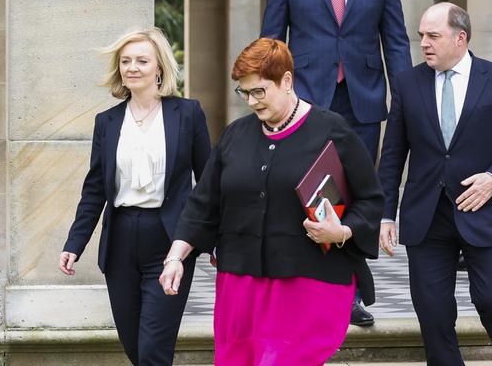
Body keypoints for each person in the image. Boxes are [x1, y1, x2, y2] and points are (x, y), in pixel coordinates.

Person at [159, 38, 384, 365]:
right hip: (241, 283)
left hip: (307, 281)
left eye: (259, 91)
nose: (251, 101)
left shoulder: (332, 130)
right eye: (244, 92)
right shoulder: (235, 136)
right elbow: (203, 203)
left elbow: (371, 199)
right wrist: (176, 256)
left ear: (287, 81)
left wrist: (344, 232)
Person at [260, 0, 411, 325]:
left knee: (357, 195)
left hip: (363, 98)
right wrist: (268, 97)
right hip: (307, 100)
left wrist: (405, 98)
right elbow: (273, 39)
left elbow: (396, 39)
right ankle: (323, 285)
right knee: (317, 196)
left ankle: (351, 293)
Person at [378, 3, 492, 366]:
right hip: (427, 213)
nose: (424, 43)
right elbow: (392, 155)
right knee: (432, 309)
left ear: (460, 38)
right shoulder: (407, 83)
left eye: (433, 36)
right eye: (421, 35)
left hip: (483, 208)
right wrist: (386, 214)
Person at [59, 28, 211, 365]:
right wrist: (74, 243)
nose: (133, 67)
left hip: (169, 239)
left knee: (153, 349)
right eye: (126, 61)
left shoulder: (187, 113)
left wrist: (215, 242)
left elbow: (209, 184)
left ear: (159, 68)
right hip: (121, 241)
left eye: (142, 60)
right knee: (134, 346)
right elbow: (95, 188)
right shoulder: (108, 122)